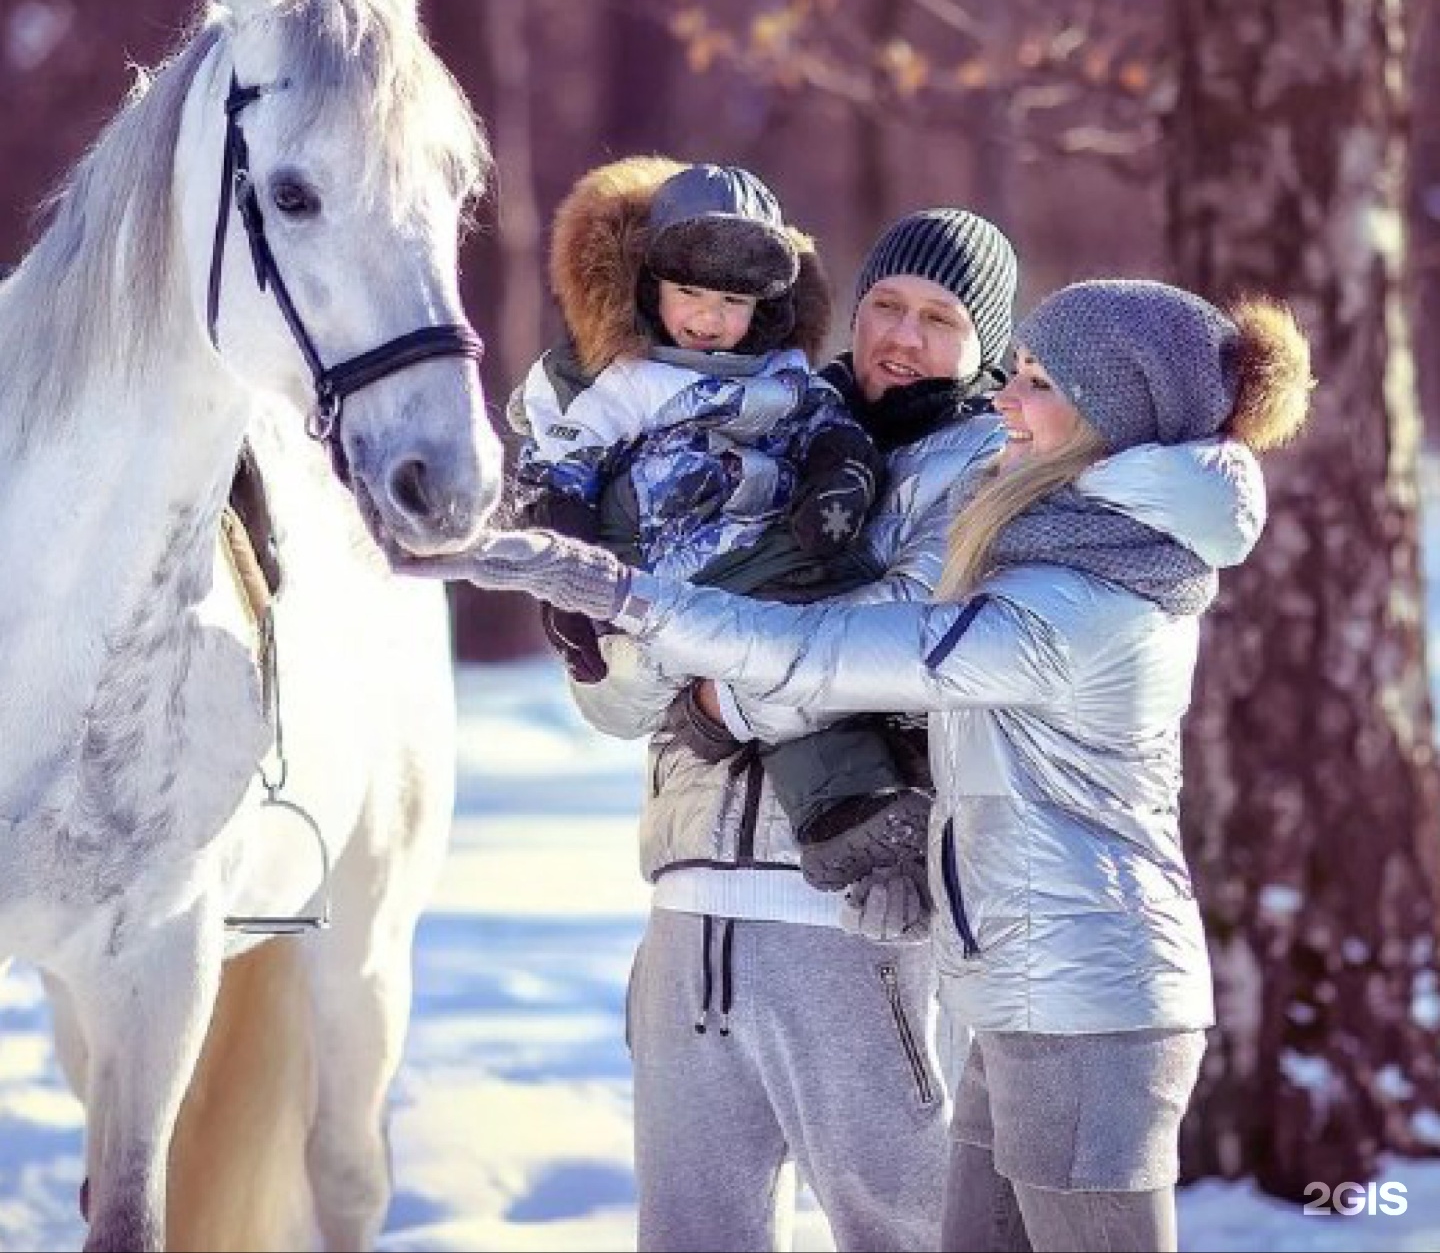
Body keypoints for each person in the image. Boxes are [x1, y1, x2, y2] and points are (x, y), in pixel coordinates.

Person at [409, 277, 1314, 1253]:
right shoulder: (1052, 555)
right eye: (1016, 374)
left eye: (1039, 383)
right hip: (1022, 986)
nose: (1008, 398)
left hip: (1088, 1005)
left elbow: (832, 654)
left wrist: (620, 590)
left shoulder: (1076, 600)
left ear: (1110, 416)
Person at [520, 203, 1020, 1252]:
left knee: (911, 1231)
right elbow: (618, 704)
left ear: (987, 341)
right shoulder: (752, 415)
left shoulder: (988, 470)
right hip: (688, 914)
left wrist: (716, 694)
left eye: (940, 317)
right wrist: (610, 631)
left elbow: (899, 636)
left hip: (851, 924)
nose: (902, 336)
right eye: (887, 303)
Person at [512, 158, 963, 892]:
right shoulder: (616, 377)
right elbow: (559, 467)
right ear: (648, 285)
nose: (708, 318)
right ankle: (844, 806)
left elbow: (825, 426)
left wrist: (840, 477)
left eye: (732, 300)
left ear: (769, 305)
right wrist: (565, 573)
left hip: (780, 553)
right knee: (784, 657)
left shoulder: (783, 375)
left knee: (800, 656)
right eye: (688, 292)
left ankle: (841, 814)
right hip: (676, 563)